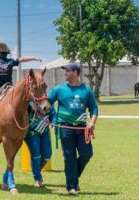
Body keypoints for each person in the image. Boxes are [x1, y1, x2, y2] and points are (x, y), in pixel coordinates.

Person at [47, 63, 98, 195]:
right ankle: (72, 186)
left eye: (67, 71)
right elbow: (46, 104)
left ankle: (73, 177)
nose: (65, 73)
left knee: (87, 154)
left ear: (75, 72)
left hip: (82, 129)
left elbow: (94, 108)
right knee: (69, 157)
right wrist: (50, 119)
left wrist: (92, 123)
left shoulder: (86, 90)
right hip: (65, 128)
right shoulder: (58, 89)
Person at [24, 102, 56, 188]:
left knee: (47, 156)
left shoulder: (48, 101)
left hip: (45, 132)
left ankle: (36, 170)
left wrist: (54, 124)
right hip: (31, 133)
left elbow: (53, 114)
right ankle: (37, 178)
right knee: (36, 156)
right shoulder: (28, 102)